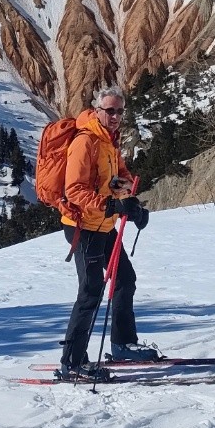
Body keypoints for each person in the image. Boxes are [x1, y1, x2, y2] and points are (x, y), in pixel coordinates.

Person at [57, 86, 156, 379]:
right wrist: (110, 204)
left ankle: (123, 343)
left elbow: (121, 177)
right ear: (97, 110)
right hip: (82, 227)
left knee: (125, 278)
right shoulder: (85, 141)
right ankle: (72, 363)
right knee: (90, 292)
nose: (114, 116)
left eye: (119, 111)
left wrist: (130, 202)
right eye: (109, 110)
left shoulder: (109, 142)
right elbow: (73, 190)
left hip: (104, 224)